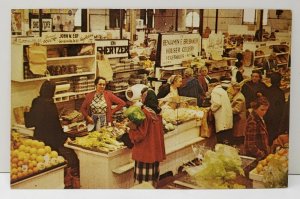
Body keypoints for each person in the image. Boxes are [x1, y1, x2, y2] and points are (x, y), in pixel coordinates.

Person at [24, 80, 79, 188]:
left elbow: (29, 123)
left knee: (42, 164)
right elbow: (55, 125)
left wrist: (26, 113)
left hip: (39, 138)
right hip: (51, 139)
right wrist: (65, 137)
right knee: (54, 163)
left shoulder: (36, 101)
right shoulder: (50, 104)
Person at [127, 88, 166, 186]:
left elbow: (140, 135)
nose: (141, 98)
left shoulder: (144, 113)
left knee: (142, 184)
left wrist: (130, 130)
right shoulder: (158, 112)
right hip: (155, 150)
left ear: (147, 98)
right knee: (152, 180)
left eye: (142, 96)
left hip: (144, 152)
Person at [264, 72, 285, 144]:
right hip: (276, 118)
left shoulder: (266, 90)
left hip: (266, 115)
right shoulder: (280, 92)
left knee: (267, 135)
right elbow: (282, 108)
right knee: (274, 138)